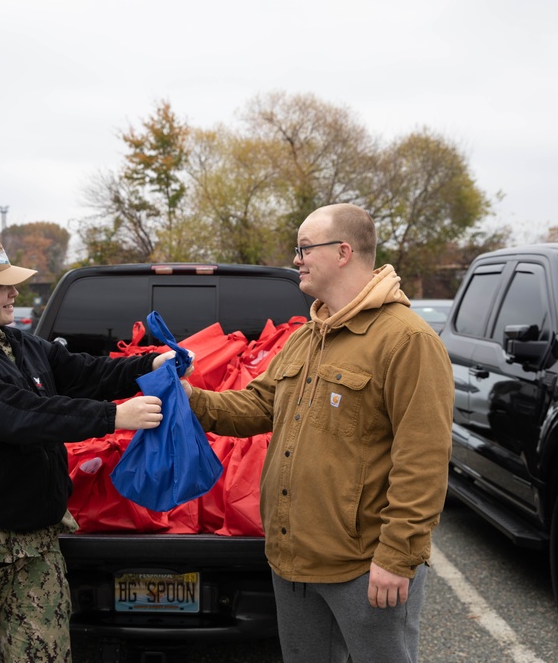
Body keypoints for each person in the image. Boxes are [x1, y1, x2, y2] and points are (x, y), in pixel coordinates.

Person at [0, 227, 177, 662]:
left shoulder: (17, 342)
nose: (14, 292)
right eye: (2, 285)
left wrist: (148, 363)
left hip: (36, 545)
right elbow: (21, 415)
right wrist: (113, 417)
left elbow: (83, 371)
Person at [183, 204, 454, 662]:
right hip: (293, 562)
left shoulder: (406, 340)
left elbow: (423, 459)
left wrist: (396, 556)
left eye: (305, 248)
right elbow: (256, 406)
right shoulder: (307, 338)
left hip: (364, 567)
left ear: (343, 251)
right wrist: (185, 398)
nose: (296, 260)